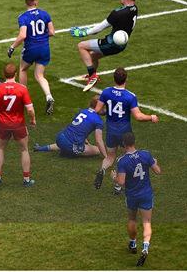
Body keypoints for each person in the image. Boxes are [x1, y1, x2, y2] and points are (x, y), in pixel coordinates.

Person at [93, 68, 159, 193]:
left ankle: (102, 169)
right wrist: (151, 117)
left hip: (111, 131)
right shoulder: (130, 96)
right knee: (126, 157)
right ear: (126, 79)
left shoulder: (106, 92)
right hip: (125, 132)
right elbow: (138, 116)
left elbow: (98, 110)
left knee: (110, 156)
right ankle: (118, 187)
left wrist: (108, 112)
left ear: (114, 78)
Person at [70, 0, 138, 91]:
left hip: (111, 43)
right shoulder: (134, 8)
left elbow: (99, 28)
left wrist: (82, 32)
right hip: (121, 44)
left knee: (81, 46)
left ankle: (92, 76)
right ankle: (92, 76)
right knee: (92, 57)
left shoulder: (117, 13)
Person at [111, 132, 161, 267]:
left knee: (132, 219)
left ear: (123, 144)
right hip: (146, 194)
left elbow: (121, 182)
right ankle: (145, 248)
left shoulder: (122, 161)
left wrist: (114, 177)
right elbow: (158, 171)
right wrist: (155, 162)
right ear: (134, 142)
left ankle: (132, 243)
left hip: (132, 195)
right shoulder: (146, 154)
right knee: (147, 222)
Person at [8, 0, 56, 114]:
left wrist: (12, 47)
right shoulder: (45, 14)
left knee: (23, 69)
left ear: (26, 2)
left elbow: (23, 35)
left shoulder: (23, 17)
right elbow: (52, 32)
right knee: (39, 75)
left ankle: (23, 98)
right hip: (44, 48)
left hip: (31, 48)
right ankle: (49, 96)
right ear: (36, 1)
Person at [0, 63, 36, 187]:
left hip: (3, 124)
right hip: (19, 124)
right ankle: (26, 180)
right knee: (24, 150)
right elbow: (30, 110)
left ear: (4, 74)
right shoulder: (22, 89)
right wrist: (32, 120)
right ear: (15, 74)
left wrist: (1, 113)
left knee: (0, 148)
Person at [33, 96, 107, 159]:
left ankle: (40, 148)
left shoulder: (82, 111)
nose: (104, 110)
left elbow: (77, 127)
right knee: (97, 150)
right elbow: (99, 141)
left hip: (60, 137)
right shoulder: (98, 120)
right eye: (103, 107)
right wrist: (106, 157)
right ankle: (66, 153)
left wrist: (86, 142)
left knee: (68, 140)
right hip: (70, 146)